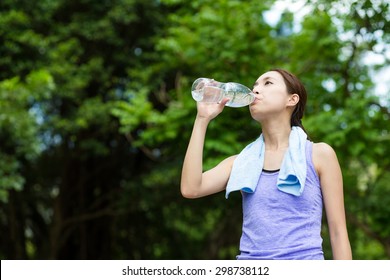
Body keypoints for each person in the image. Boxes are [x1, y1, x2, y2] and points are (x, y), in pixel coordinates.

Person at [180, 68, 352, 260]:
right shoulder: (241, 162)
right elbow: (191, 188)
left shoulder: (318, 154)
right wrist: (202, 118)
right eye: (255, 85)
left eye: (267, 83)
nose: (256, 90)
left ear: (292, 100)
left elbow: (338, 233)